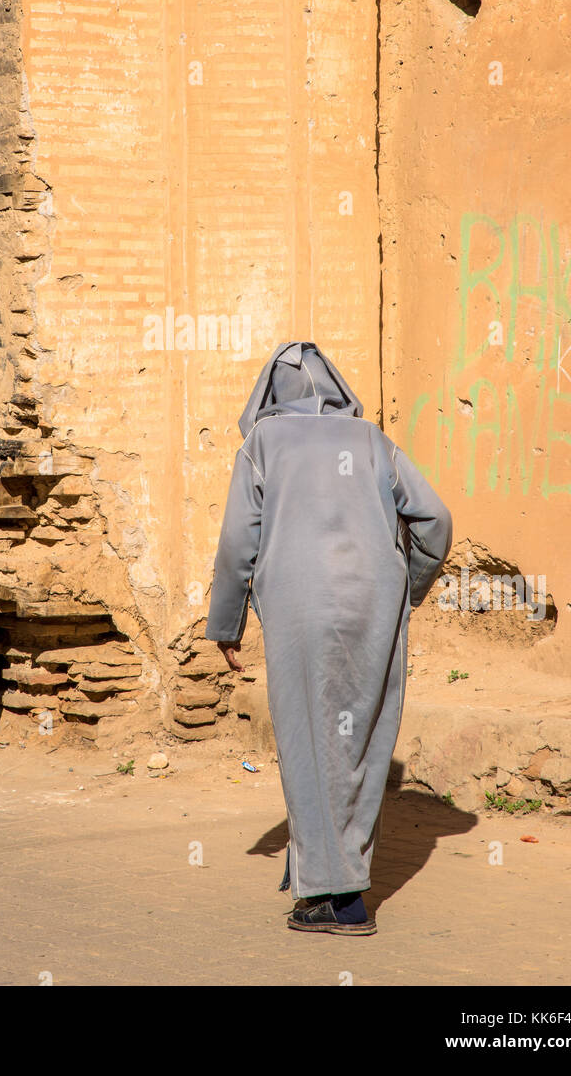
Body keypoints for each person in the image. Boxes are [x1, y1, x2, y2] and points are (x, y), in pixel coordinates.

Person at [205, 341, 452, 935]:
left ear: (269, 395)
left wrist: (226, 623)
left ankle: (336, 899)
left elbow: (240, 540)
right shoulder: (370, 440)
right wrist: (406, 590)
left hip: (299, 610)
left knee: (309, 740)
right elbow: (435, 521)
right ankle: (339, 884)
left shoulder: (263, 444)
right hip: (373, 604)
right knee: (362, 739)